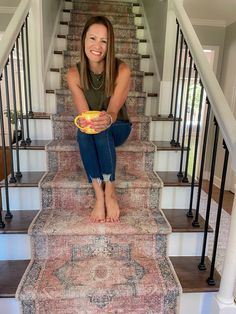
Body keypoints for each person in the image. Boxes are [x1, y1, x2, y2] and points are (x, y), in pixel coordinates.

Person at [67, 16, 132, 223]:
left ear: (110, 44)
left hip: (118, 126)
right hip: (95, 129)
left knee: (102, 128)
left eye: (103, 40)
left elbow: (112, 112)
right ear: (83, 40)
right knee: (84, 132)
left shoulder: (122, 70)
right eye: (92, 38)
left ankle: (110, 189)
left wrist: (107, 119)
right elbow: (85, 117)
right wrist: (89, 124)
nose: (97, 46)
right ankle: (99, 193)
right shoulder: (73, 74)